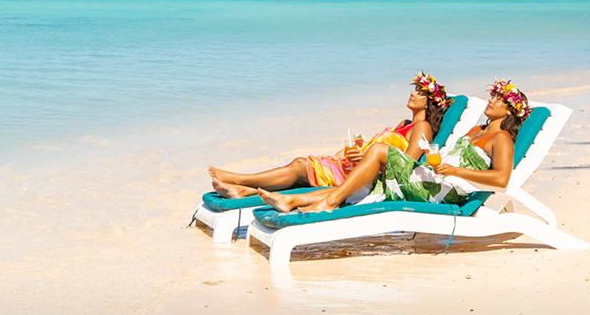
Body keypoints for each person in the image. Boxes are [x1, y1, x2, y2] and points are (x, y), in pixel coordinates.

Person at [256, 81, 531, 213]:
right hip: (430, 180)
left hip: (442, 194)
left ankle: (328, 203)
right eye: (493, 95)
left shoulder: (501, 139)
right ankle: (291, 200)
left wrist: (454, 170)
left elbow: (501, 178)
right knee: (359, 184)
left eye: (499, 98)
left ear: (510, 110)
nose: (491, 100)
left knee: (378, 153)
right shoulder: (476, 130)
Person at [208, 74, 451, 199]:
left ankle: (239, 180)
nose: (413, 94)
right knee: (299, 168)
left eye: (420, 93)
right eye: (414, 90)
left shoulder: (423, 129)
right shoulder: (404, 124)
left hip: (365, 176)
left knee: (299, 166)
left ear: (430, 102)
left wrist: (366, 157)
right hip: (356, 165)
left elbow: (403, 166)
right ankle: (244, 190)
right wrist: (354, 153)